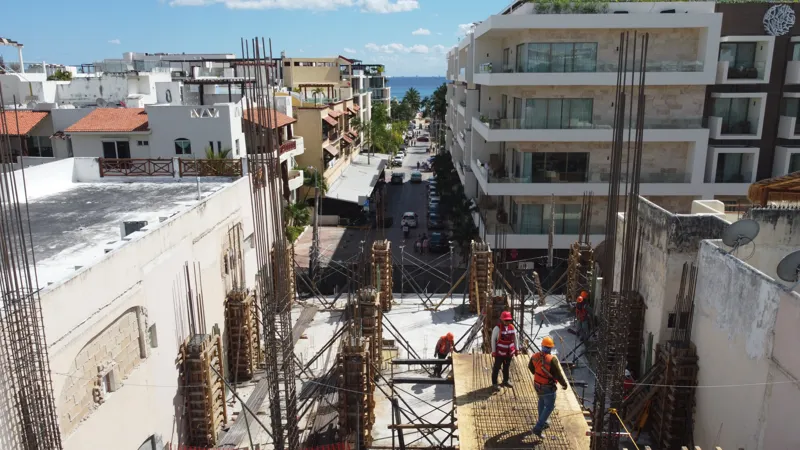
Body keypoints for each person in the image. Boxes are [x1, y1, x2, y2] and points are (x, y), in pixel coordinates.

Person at [529, 336, 568, 438]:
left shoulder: (535, 356)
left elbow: (531, 367)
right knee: (549, 406)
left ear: (542, 346)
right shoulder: (552, 360)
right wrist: (564, 384)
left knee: (541, 401)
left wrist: (538, 374)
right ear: (550, 348)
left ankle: (543, 421)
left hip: (537, 385)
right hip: (548, 387)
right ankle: (538, 427)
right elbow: (558, 375)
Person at [491, 311, 518, 389]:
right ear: (502, 320)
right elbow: (493, 340)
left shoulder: (512, 327)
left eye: (508, 320)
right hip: (499, 353)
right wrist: (493, 351)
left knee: (506, 367)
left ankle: (506, 380)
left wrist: (517, 349)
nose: (507, 322)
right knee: (497, 367)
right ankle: (494, 383)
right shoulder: (497, 328)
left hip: (509, 353)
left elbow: (515, 339)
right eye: (505, 320)